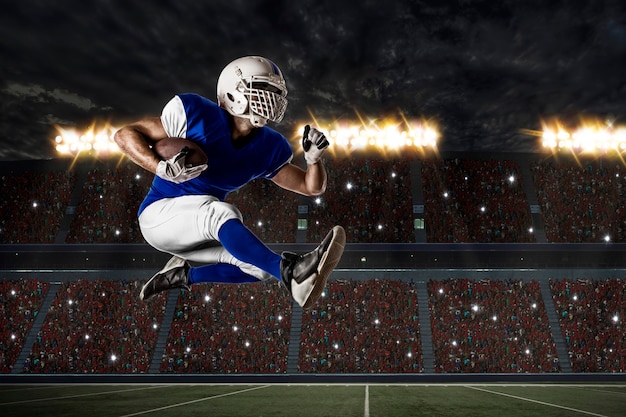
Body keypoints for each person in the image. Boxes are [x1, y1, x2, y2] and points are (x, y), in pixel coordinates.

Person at [114, 56, 345, 309]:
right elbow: (125, 134)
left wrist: (313, 160)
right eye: (263, 88)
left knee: (258, 268)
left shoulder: (268, 145)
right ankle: (293, 274)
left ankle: (181, 275)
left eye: (276, 92)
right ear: (233, 93)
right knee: (221, 212)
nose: (273, 98)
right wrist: (159, 167)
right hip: (159, 216)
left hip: (199, 228)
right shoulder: (196, 114)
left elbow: (311, 187)